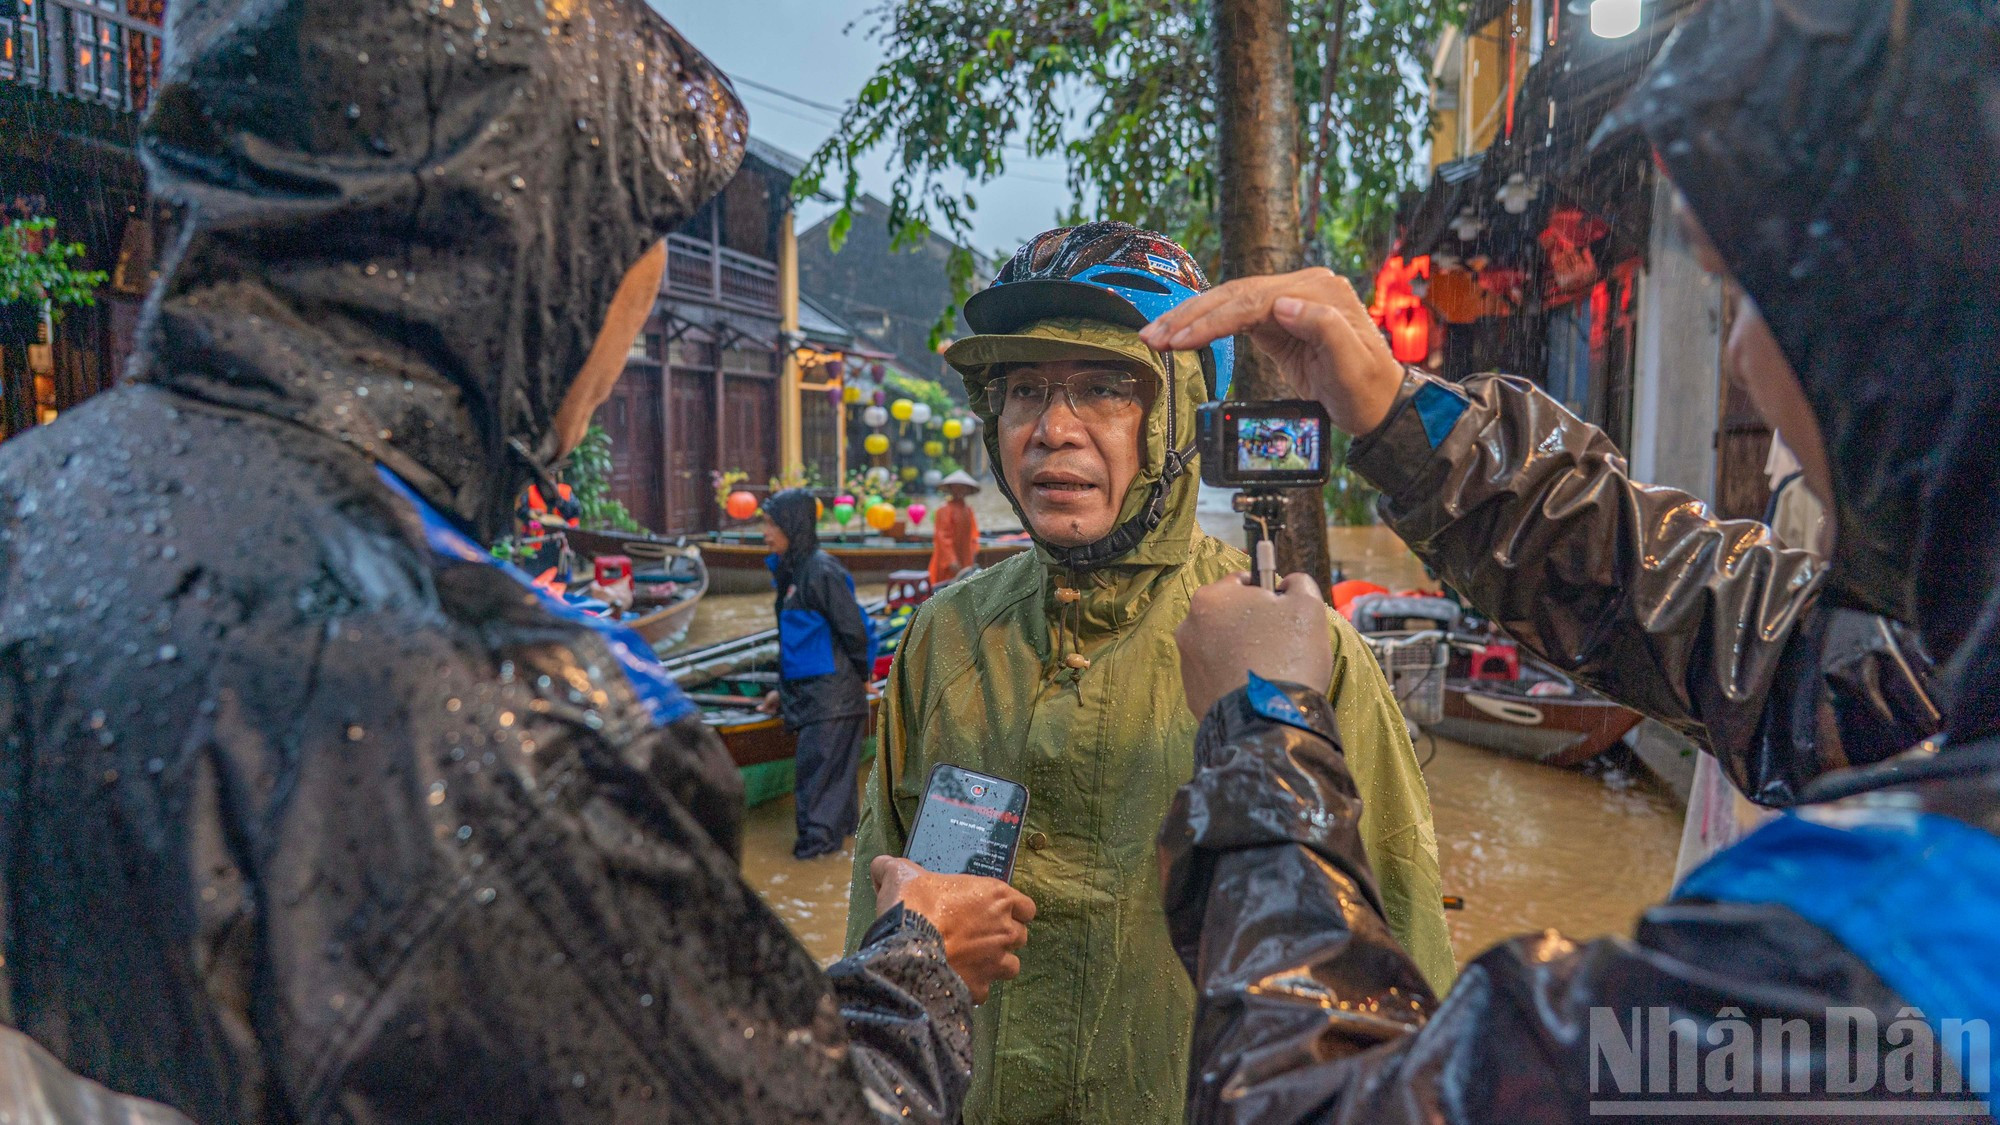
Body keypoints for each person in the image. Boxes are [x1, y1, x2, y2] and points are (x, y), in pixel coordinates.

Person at [0, 1, 1035, 1121]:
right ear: (529, 253)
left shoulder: (32, 501)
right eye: (633, 243)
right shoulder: (506, 727)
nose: (631, 327)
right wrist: (917, 966)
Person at [1141, 1, 1994, 1117]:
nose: (1734, 356)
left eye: (1749, 294)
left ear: (1889, 321)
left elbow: (1317, 1101)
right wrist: (1408, 420)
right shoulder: (1943, 685)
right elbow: (1768, 646)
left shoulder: (1876, 967)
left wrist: (1258, 740)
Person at [847, 225, 1454, 1124]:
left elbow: (1401, 943)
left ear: (1172, 416)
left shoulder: (1292, 647)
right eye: (1024, 391)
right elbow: (881, 920)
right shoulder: (945, 637)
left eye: (1103, 389)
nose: (1055, 430)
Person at [757, 489, 875, 859]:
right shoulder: (791, 570)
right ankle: (839, 867)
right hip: (815, 695)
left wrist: (861, 676)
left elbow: (853, 629)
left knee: (816, 806)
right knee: (831, 799)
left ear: (793, 525)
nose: (764, 532)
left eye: (771, 523)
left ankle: (811, 875)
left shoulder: (821, 571)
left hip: (832, 699)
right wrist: (782, 689)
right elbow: (796, 642)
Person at [927, 469, 983, 586]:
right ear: (951, 489)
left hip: (965, 557)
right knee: (945, 588)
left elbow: (974, 534)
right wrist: (951, 561)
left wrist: (973, 553)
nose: (959, 491)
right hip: (947, 562)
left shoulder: (967, 510)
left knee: (964, 585)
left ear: (968, 490)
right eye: (956, 487)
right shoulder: (944, 510)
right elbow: (942, 537)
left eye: (962, 487)